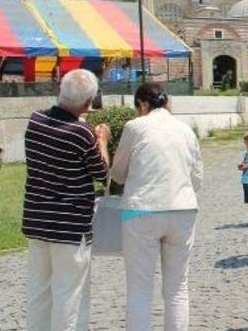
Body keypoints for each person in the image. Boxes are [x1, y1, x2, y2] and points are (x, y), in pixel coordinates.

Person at [22, 69, 110, 331]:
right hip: (70, 225)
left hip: (37, 219)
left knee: (39, 290)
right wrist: (102, 140)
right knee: (69, 294)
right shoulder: (82, 133)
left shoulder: (35, 120)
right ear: (88, 103)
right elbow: (102, 173)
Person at [110, 83, 203, 331]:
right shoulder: (185, 130)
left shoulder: (135, 127)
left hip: (141, 209)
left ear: (141, 104)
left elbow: (118, 174)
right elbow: (197, 179)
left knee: (139, 289)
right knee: (177, 288)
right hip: (182, 208)